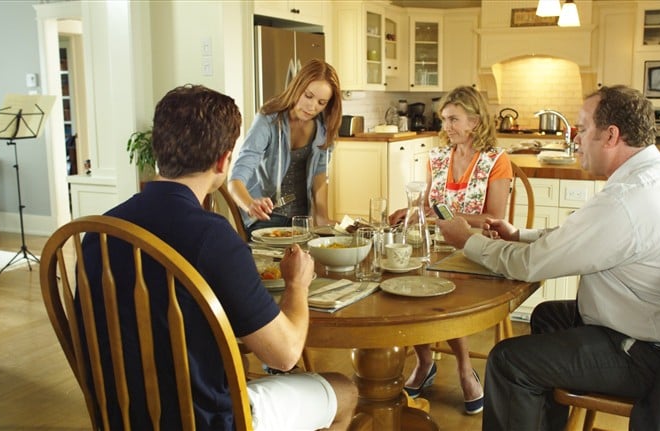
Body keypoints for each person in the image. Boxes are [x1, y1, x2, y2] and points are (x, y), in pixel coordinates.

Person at [436, 85, 660, 430]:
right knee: (548, 317)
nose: (576, 139)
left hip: (650, 353)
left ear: (611, 135)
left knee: (508, 361)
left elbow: (530, 265)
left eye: (582, 129)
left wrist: (468, 242)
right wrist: (519, 234)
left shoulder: (628, 200)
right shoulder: (657, 177)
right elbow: (579, 236)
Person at [81, 84, 357, 431]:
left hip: (120, 415)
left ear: (158, 146)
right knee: (344, 390)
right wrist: (297, 284)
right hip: (203, 422)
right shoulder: (213, 237)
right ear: (224, 160)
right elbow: (285, 355)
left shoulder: (99, 233)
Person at [388, 85, 513, 415]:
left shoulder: (496, 161)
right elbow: (429, 205)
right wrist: (410, 210)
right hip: (438, 245)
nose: (447, 127)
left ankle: (462, 367)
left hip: (478, 249)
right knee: (407, 280)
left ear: (474, 121)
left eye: (454, 119)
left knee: (443, 287)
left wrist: (452, 219)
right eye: (444, 119)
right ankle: (426, 359)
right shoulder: (438, 158)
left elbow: (495, 218)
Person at [229, 58, 341, 233]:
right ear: (297, 87)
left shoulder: (323, 127)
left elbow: (320, 175)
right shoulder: (268, 121)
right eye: (308, 96)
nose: (312, 107)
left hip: (302, 221)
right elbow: (235, 180)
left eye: (321, 102)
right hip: (266, 218)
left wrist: (323, 218)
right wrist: (251, 204)